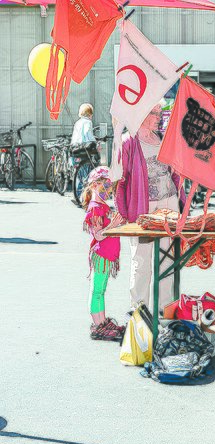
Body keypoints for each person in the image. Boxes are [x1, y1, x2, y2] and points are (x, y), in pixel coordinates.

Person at [115, 103, 186, 311]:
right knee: (142, 257)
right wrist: (123, 212)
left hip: (169, 203)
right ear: (143, 114)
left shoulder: (163, 140)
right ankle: (139, 306)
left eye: (159, 113)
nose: (158, 117)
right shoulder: (129, 142)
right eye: (154, 112)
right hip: (143, 208)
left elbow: (174, 174)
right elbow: (121, 180)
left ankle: (167, 306)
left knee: (168, 256)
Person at [81, 166, 125, 341]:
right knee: (97, 291)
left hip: (107, 257)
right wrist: (113, 225)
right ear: (93, 186)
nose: (107, 190)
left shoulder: (102, 206)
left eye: (109, 186)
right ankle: (98, 325)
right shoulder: (95, 208)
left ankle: (102, 321)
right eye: (104, 186)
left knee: (101, 290)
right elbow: (98, 235)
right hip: (101, 256)